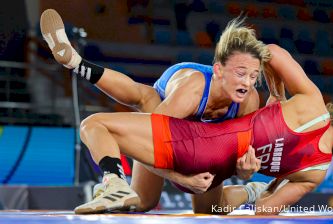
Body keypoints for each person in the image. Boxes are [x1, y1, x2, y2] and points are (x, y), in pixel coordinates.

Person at [71, 42, 333, 214]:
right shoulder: (315, 173)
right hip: (216, 175)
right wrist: (259, 183)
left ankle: (113, 183)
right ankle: (249, 190)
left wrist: (278, 93)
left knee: (101, 121)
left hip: (198, 148)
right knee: (208, 212)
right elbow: (265, 212)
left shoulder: (314, 106)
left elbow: (270, 50)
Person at [40, 9, 275, 212]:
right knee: (143, 100)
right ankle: (76, 63)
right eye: (241, 74)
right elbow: (155, 144)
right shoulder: (192, 90)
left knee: (210, 209)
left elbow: (234, 155)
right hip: (168, 103)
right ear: (218, 70)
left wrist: (244, 173)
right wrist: (180, 178)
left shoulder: (249, 100)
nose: (247, 82)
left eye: (254, 76)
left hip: (202, 137)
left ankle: (251, 192)